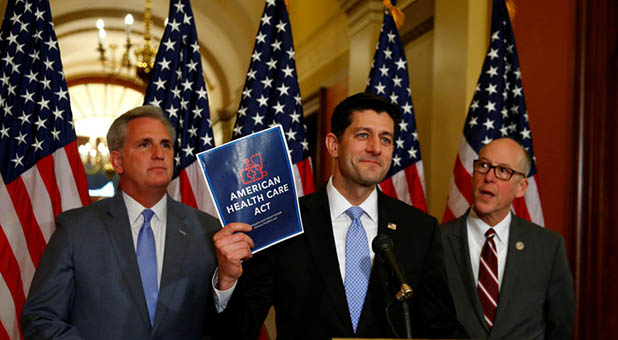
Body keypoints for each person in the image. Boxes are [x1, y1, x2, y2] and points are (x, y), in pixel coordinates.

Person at [214, 93, 467, 339]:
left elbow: (441, 328)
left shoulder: (420, 229)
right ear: (334, 145)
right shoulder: (287, 220)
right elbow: (241, 328)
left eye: (386, 139)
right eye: (363, 135)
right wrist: (226, 280)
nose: (376, 148)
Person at [21, 106, 222, 339]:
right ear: (117, 161)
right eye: (145, 144)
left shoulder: (207, 230)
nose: (159, 153)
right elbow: (41, 317)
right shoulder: (76, 230)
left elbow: (225, 322)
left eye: (166, 144)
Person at [441, 138, 574, 339]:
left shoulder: (548, 247)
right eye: (483, 166)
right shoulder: (437, 241)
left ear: (521, 187)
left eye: (503, 171)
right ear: (473, 174)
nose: (489, 177)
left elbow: (560, 330)